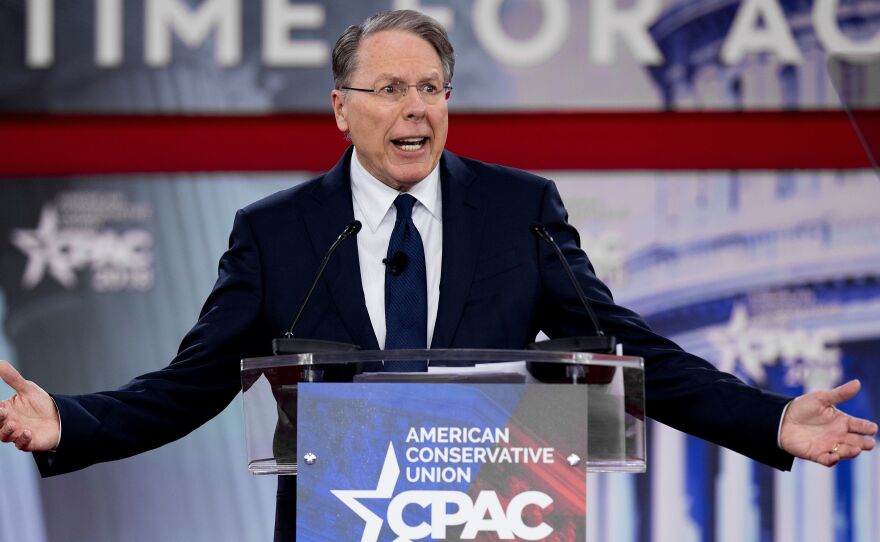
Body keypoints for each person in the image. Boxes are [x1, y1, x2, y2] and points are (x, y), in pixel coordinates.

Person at [0, 9, 876, 541]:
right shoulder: (277, 232)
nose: (415, 107)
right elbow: (190, 385)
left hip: (493, 522)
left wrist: (770, 422)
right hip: (337, 531)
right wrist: (71, 424)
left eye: (432, 88)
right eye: (389, 89)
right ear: (342, 110)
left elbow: (628, 351)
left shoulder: (518, 208)